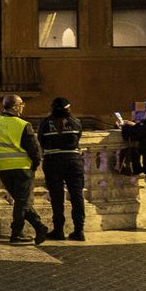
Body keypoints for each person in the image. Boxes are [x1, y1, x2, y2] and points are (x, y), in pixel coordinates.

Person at [0, 94, 48, 245]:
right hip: (22, 167)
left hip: (3, 167)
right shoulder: (22, 125)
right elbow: (35, 150)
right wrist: (35, 165)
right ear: (15, 106)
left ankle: (39, 227)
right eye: (21, 104)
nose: (23, 106)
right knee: (22, 202)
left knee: (21, 202)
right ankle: (16, 233)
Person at [39, 97, 85, 241]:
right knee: (77, 196)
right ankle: (79, 230)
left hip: (53, 161)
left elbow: (41, 141)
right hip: (74, 161)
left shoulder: (45, 124)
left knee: (57, 198)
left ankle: (58, 230)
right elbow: (77, 140)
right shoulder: (76, 123)